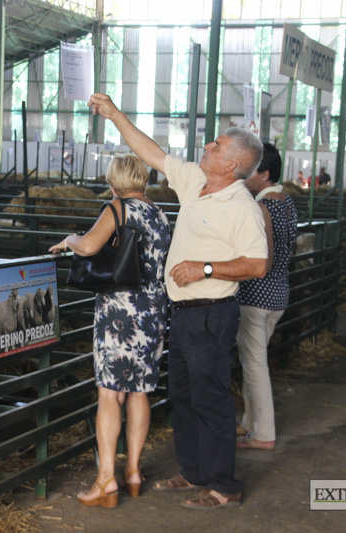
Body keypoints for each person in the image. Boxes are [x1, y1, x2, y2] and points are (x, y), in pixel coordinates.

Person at [88, 93, 268, 510]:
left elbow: (257, 264)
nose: (208, 146)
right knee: (183, 396)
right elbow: (151, 152)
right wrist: (116, 115)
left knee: (212, 398)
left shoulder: (242, 205)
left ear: (232, 165)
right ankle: (193, 471)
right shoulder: (195, 182)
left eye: (217, 147)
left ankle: (224, 484)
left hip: (211, 312)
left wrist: (205, 269)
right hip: (182, 312)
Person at [50, 155, 172, 508]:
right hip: (153, 310)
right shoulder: (160, 214)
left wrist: (69, 239)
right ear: (143, 177)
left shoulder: (118, 207)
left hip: (120, 311)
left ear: (114, 178)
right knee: (139, 391)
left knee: (109, 393)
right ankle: (133, 472)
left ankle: (106, 480)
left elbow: (89, 246)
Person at [234, 143, 298, 451]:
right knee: (253, 362)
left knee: (255, 365)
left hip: (256, 296)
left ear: (265, 174)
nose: (246, 175)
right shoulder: (286, 202)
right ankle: (249, 422)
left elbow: (262, 259)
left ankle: (263, 433)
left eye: (251, 170)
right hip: (278, 295)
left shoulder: (261, 207)